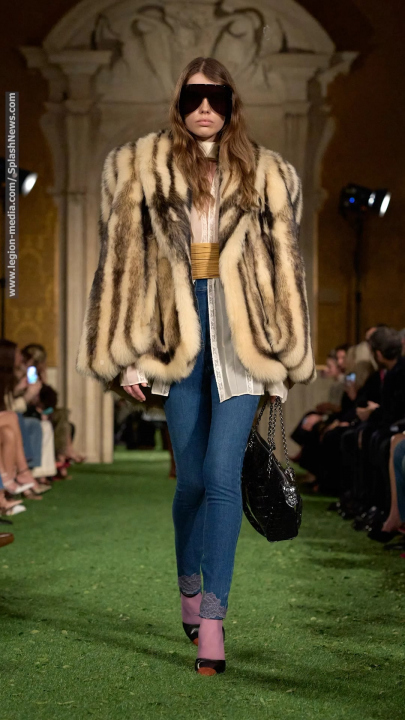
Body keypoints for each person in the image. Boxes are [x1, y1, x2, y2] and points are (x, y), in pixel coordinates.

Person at [76, 56, 316, 675]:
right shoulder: (140, 168)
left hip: (243, 336)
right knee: (189, 483)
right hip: (175, 330)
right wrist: (127, 353)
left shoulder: (268, 174)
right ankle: (188, 583)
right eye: (193, 97)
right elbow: (123, 265)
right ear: (179, 103)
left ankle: (213, 618)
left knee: (220, 475)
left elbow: (285, 270)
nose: (204, 108)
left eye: (216, 97)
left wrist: (280, 359)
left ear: (232, 104)